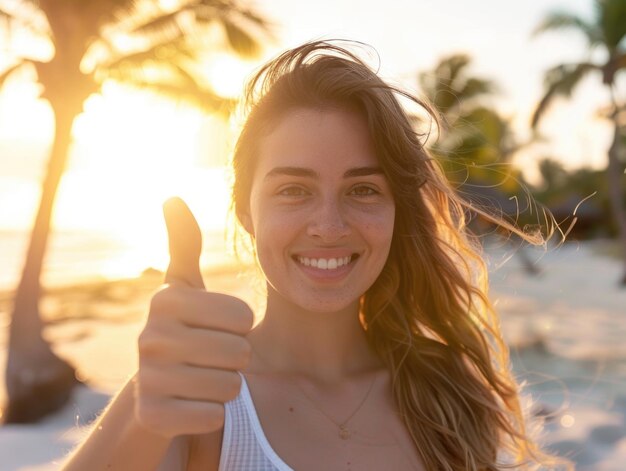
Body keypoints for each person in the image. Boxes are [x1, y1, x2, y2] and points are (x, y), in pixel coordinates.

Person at [63, 40, 566, 470]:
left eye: (363, 189)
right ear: (245, 211)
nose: (329, 226)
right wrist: (137, 410)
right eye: (293, 191)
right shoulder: (201, 402)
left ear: (396, 211)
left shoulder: (447, 392)